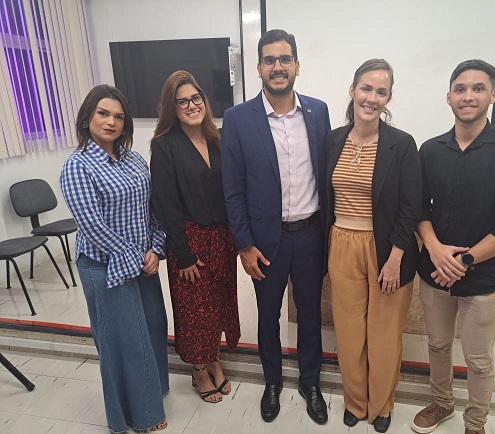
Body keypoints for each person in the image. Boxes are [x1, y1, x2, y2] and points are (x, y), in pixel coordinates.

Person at [411, 60, 495, 434]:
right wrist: (435, 249)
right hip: (434, 272)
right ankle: (442, 403)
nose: (468, 96)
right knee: (437, 345)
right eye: (460, 89)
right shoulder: (429, 150)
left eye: (478, 88)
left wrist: (464, 259)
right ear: (448, 97)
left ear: (493, 95)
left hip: (482, 277)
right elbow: (419, 209)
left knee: (479, 360)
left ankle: (475, 422)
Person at [221, 29, 331, 424]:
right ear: (258, 68)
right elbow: (232, 189)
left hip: (311, 235)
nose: (278, 67)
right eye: (270, 60)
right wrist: (243, 244)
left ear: (297, 65)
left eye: (285, 59)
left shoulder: (318, 111)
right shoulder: (237, 119)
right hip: (265, 242)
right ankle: (272, 382)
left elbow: (326, 174)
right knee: (267, 316)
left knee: (310, 316)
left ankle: (310, 382)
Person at [60, 84, 169, 433]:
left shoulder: (133, 159)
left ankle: (152, 395)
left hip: (143, 262)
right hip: (104, 266)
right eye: (103, 113)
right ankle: (139, 416)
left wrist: (155, 248)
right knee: (125, 341)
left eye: (119, 117)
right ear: (87, 118)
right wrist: (135, 255)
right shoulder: (77, 166)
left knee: (152, 329)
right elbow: (91, 225)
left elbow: (152, 208)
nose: (111, 122)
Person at [323, 59, 421, 433]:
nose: (372, 98)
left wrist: (395, 257)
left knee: (383, 335)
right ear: (352, 91)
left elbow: (411, 207)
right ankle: (355, 401)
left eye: (381, 92)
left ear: (388, 98)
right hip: (341, 244)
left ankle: (381, 405)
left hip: (387, 250)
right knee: (349, 333)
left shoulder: (402, 144)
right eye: (366, 88)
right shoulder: (332, 140)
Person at [150, 71, 240, 404]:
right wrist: (183, 253)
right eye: (182, 101)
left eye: (196, 98)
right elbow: (165, 203)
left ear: (204, 100)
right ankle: (199, 369)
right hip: (189, 242)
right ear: (171, 108)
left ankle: (214, 358)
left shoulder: (218, 139)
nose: (191, 106)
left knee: (217, 304)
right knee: (194, 312)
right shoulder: (165, 146)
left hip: (222, 239)